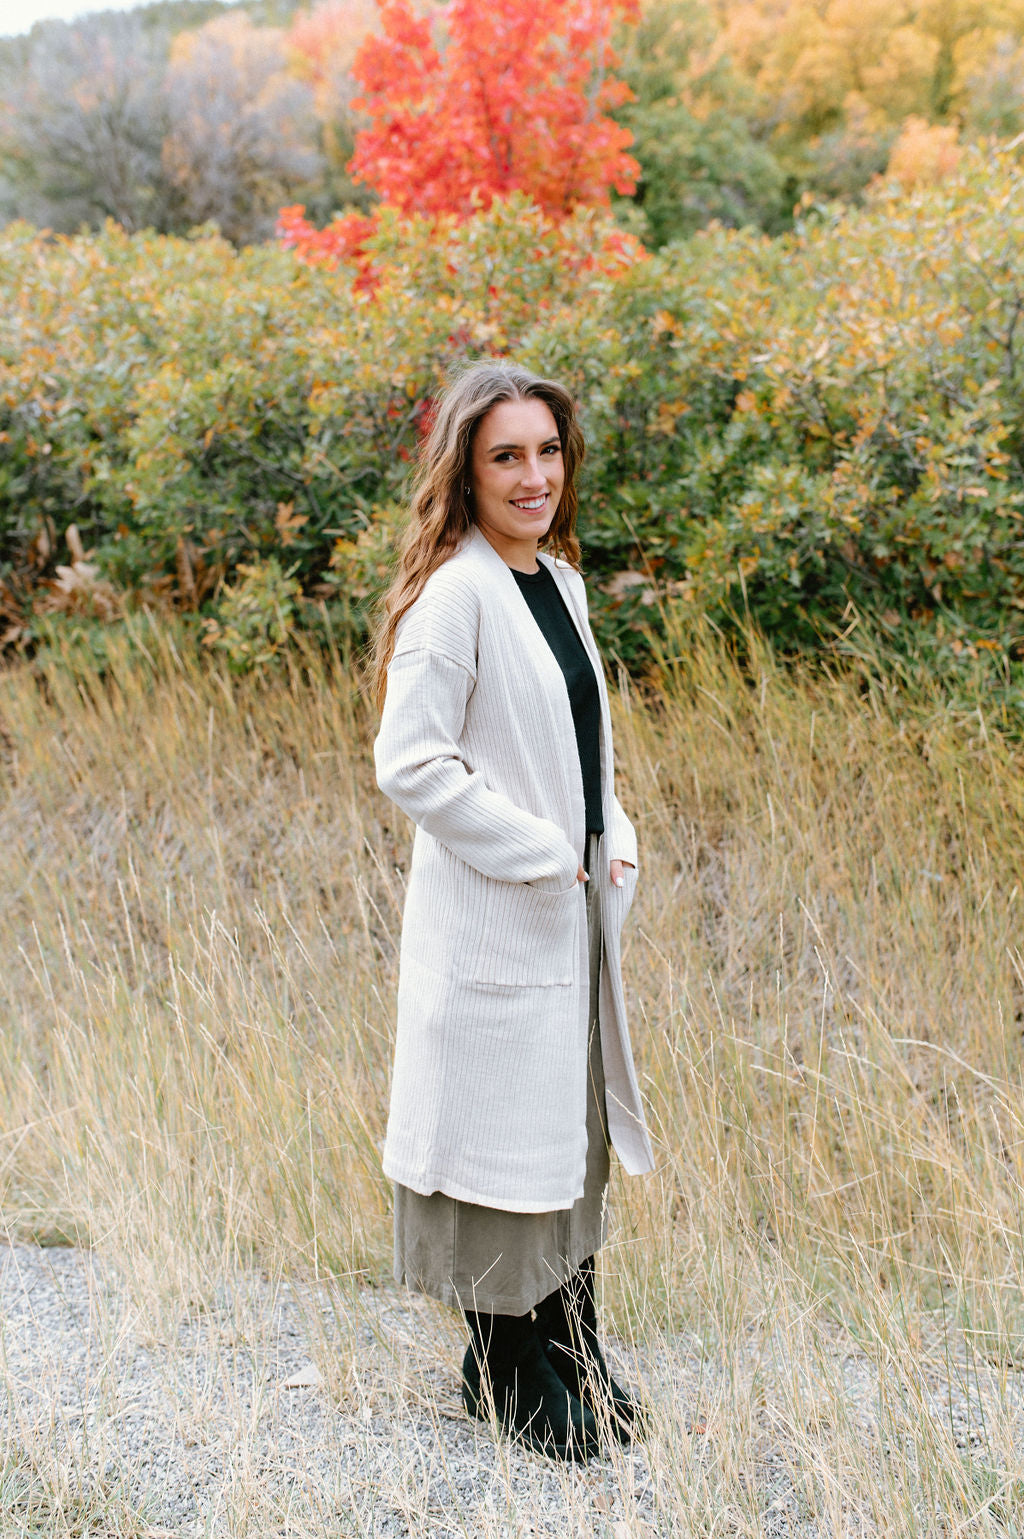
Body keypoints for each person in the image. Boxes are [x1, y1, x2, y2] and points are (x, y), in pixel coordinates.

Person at [371, 360, 655, 1461]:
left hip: (566, 919)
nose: (534, 476)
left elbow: (575, 745)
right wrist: (540, 853)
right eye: (506, 457)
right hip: (498, 917)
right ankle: (504, 1370)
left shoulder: (558, 582)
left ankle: (568, 1347)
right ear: (466, 472)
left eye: (547, 451)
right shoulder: (457, 595)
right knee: (500, 1148)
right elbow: (411, 762)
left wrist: (608, 833)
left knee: (563, 1137)